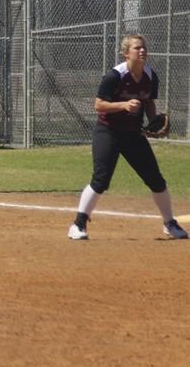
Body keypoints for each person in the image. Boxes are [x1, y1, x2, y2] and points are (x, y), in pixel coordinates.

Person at [68, 34, 187, 240]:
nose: (142, 51)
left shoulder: (151, 76)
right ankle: (78, 225)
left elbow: (148, 101)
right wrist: (123, 105)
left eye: (144, 48)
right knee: (101, 180)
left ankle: (170, 223)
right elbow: (98, 105)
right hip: (108, 131)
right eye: (137, 48)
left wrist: (153, 120)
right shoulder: (115, 76)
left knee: (156, 180)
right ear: (126, 53)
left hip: (133, 134)